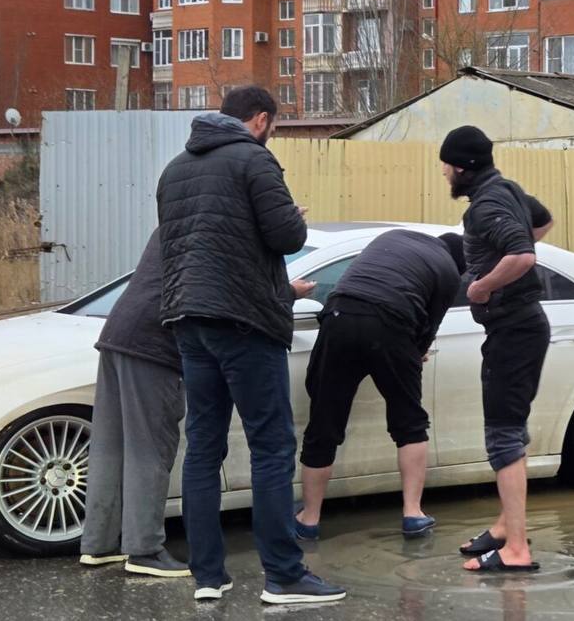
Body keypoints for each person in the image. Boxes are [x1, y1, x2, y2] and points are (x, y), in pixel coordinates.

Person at [156, 85, 345, 606]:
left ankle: (207, 576)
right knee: (271, 445)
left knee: (203, 446)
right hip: (243, 320)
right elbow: (287, 237)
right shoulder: (254, 160)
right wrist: (295, 217)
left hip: (188, 319)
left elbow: (187, 245)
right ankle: (283, 575)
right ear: (261, 120)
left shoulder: (175, 169)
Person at [295, 230, 467, 539]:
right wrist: (415, 353)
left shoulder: (393, 236)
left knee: (324, 421)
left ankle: (309, 519)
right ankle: (413, 514)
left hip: (340, 315)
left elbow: (355, 279)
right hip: (391, 323)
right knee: (410, 422)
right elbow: (430, 325)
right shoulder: (449, 271)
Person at [438, 126, 554, 572]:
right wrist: (498, 260)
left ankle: (516, 550)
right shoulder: (507, 190)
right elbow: (542, 222)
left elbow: (523, 255)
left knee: (502, 435)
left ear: (462, 167)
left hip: (513, 330)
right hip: (521, 327)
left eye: (447, 165)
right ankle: (507, 527)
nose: (444, 172)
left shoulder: (486, 206)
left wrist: (482, 286)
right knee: (512, 429)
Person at [79, 229, 188, 578]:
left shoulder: (177, 214)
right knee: (150, 447)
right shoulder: (219, 223)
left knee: (110, 445)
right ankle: (144, 550)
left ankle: (99, 543)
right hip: (154, 342)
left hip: (119, 331)